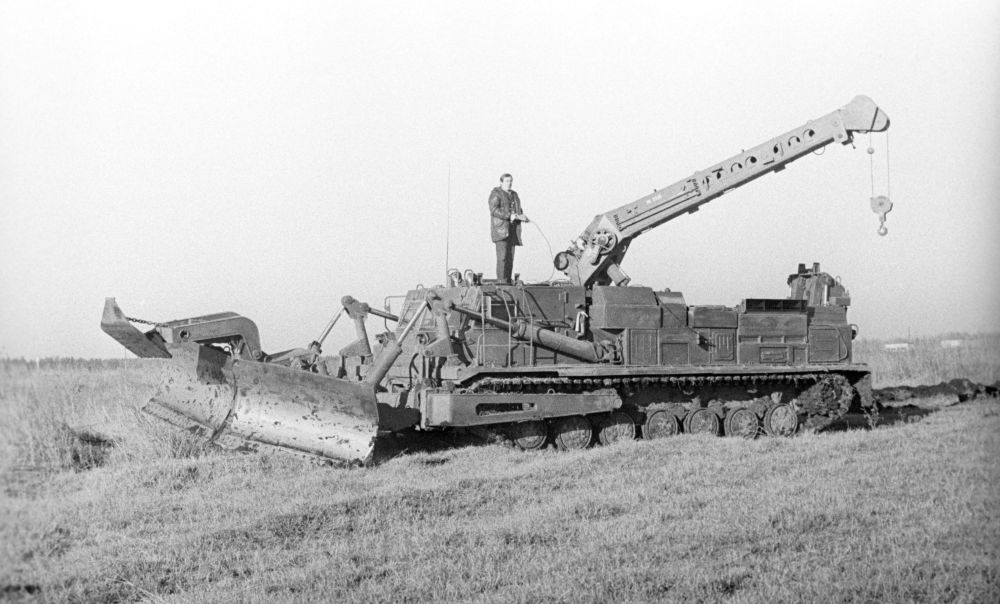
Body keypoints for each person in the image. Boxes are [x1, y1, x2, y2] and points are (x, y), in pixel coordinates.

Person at [488, 173, 529, 283]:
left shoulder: (514, 195)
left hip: (513, 230)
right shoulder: (496, 193)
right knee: (502, 258)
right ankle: (502, 281)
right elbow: (493, 210)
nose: (509, 183)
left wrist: (521, 216)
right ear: (501, 182)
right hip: (501, 230)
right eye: (506, 181)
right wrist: (508, 216)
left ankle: (508, 280)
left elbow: (518, 209)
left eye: (510, 181)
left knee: (510, 258)